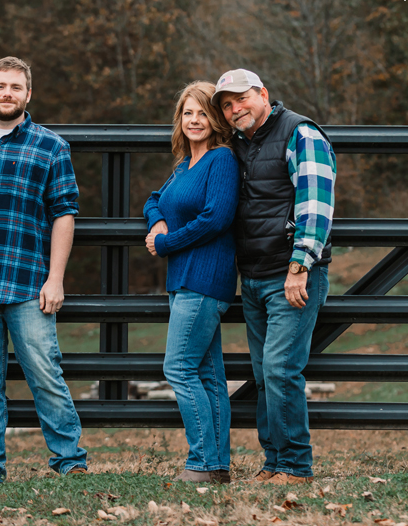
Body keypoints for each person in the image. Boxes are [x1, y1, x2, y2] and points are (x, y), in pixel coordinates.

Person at [0, 56, 87, 490]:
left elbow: (65, 214)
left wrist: (56, 278)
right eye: (0, 86)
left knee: (45, 372)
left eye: (16, 86)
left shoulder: (51, 146)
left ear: (28, 94)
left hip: (28, 282)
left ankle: (70, 460)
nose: (7, 93)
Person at [213, 69, 336, 486]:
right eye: (227, 105)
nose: (235, 109)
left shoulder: (299, 133)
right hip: (253, 277)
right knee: (266, 374)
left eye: (241, 99)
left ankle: (296, 466)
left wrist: (300, 267)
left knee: (282, 369)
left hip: (292, 276)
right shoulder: (239, 145)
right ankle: (274, 463)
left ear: (263, 94)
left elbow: (316, 204)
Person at [144, 82, 240, 484]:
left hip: (205, 278)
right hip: (183, 279)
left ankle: (201, 462)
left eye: (203, 113)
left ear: (215, 119)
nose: (195, 120)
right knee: (208, 375)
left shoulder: (222, 161)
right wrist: (157, 221)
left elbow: (217, 218)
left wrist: (166, 242)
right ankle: (217, 467)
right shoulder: (185, 165)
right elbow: (154, 199)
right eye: (188, 113)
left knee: (179, 367)